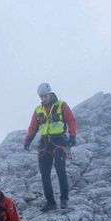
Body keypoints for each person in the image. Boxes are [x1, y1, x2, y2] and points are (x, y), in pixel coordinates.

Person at [23, 82, 78, 210]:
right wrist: (28, 140)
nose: (43, 99)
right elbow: (33, 127)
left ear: (49, 93)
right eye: (41, 97)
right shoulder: (38, 110)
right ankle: (51, 203)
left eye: (44, 96)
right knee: (44, 174)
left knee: (60, 170)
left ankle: (64, 200)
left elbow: (71, 120)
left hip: (59, 142)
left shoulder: (61, 105)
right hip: (44, 144)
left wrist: (72, 135)